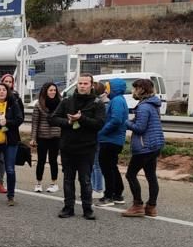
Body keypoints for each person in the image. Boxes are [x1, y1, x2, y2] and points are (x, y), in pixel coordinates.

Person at [49, 73, 105, 220]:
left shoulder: (97, 103)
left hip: (87, 147)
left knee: (85, 180)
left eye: (85, 84)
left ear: (91, 85)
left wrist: (82, 118)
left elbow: (99, 124)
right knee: (68, 179)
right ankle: (68, 207)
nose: (82, 86)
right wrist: (67, 122)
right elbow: (53, 119)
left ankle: (87, 209)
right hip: (68, 146)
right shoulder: (67, 101)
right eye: (80, 83)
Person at [123, 79, 165, 218]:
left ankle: (137, 205)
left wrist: (126, 123)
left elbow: (140, 128)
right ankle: (151, 207)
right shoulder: (152, 104)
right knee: (151, 176)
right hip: (155, 145)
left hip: (144, 146)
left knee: (130, 174)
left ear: (141, 89)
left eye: (135, 88)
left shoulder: (143, 107)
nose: (133, 91)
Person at [96, 79, 128, 206]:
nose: (106, 90)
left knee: (107, 167)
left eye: (108, 87)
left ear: (114, 88)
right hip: (114, 140)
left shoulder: (117, 101)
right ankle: (117, 194)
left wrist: (101, 132)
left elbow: (116, 120)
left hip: (110, 140)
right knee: (112, 167)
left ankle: (108, 196)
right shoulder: (119, 100)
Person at [30, 82, 62, 193]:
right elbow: (35, 123)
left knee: (53, 160)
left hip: (56, 136)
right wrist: (33, 138)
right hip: (42, 136)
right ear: (45, 91)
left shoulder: (61, 103)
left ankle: (54, 183)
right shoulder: (39, 104)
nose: (53, 92)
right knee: (41, 161)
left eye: (54, 90)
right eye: (50, 90)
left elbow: (63, 121)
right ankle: (38, 183)